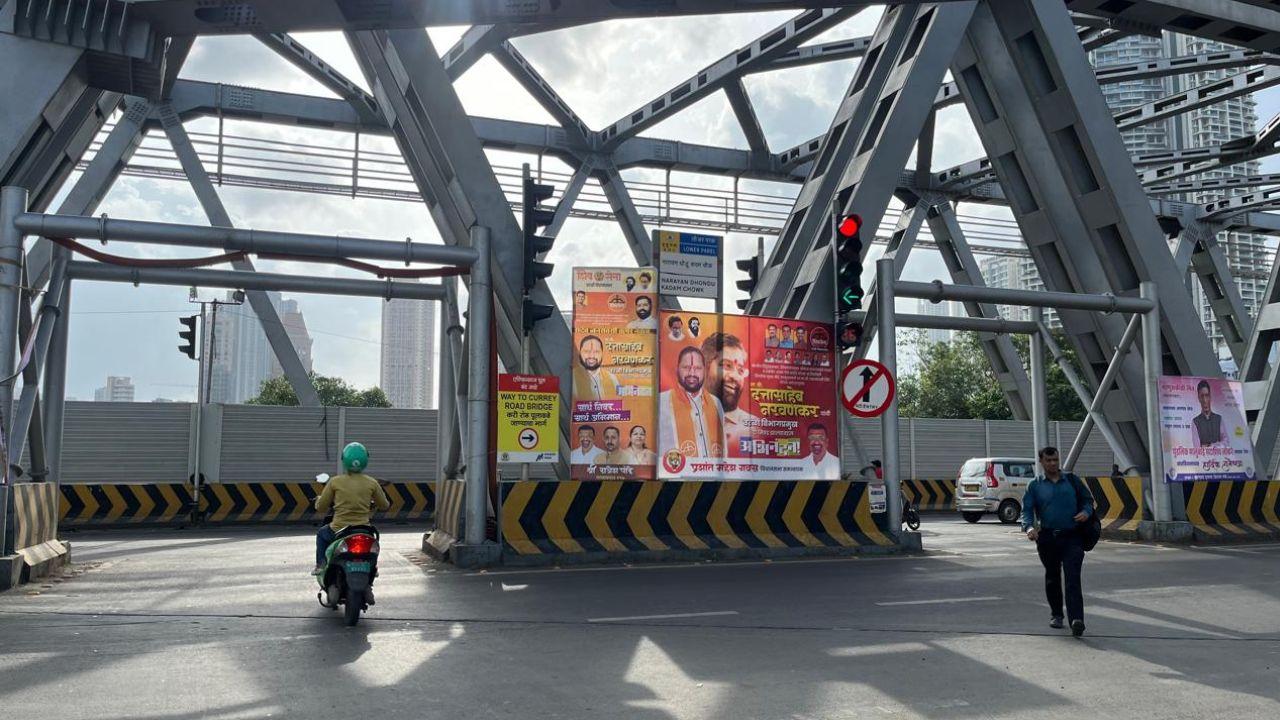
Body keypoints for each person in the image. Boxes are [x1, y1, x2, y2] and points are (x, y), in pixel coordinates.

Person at [1021, 446, 1094, 637]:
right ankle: (1056, 614)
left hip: (1072, 537)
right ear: (1041, 462)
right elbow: (1027, 510)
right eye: (1049, 460)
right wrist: (1029, 528)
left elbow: (1088, 501)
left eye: (1055, 460)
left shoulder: (1072, 480)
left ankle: (1076, 619)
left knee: (1072, 578)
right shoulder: (1034, 485)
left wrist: (1086, 513)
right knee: (1053, 577)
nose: (1053, 464)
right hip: (1047, 537)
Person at [313, 442, 390, 575]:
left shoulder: (335, 482)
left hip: (338, 530)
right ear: (365, 460)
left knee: (321, 534)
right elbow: (384, 505)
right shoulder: (372, 483)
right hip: (363, 529)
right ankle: (373, 567)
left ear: (344, 460)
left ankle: (320, 565)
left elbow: (321, 507)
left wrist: (318, 500)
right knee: (374, 542)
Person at [658, 346, 725, 458]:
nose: (692, 373)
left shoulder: (716, 403)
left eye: (698, 368)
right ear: (677, 369)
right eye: (686, 367)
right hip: (674, 472)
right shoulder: (662, 401)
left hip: (712, 472)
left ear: (705, 371)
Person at [703, 332, 756, 455]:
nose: (735, 376)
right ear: (705, 367)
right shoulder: (677, 417)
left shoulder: (758, 428)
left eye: (740, 370)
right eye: (727, 365)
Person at [573, 335, 619, 400]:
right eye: (587, 351)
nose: (591, 356)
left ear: (602, 354)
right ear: (580, 353)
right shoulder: (571, 378)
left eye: (596, 352)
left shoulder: (612, 378)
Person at [1191, 380, 1227, 447]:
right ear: (1199, 398)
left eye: (1207, 395)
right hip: (1204, 457)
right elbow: (1197, 448)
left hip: (1220, 457)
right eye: (1202, 396)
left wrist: (1210, 446)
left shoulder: (1219, 419)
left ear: (1210, 397)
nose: (1205, 400)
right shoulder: (1195, 422)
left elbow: (1225, 442)